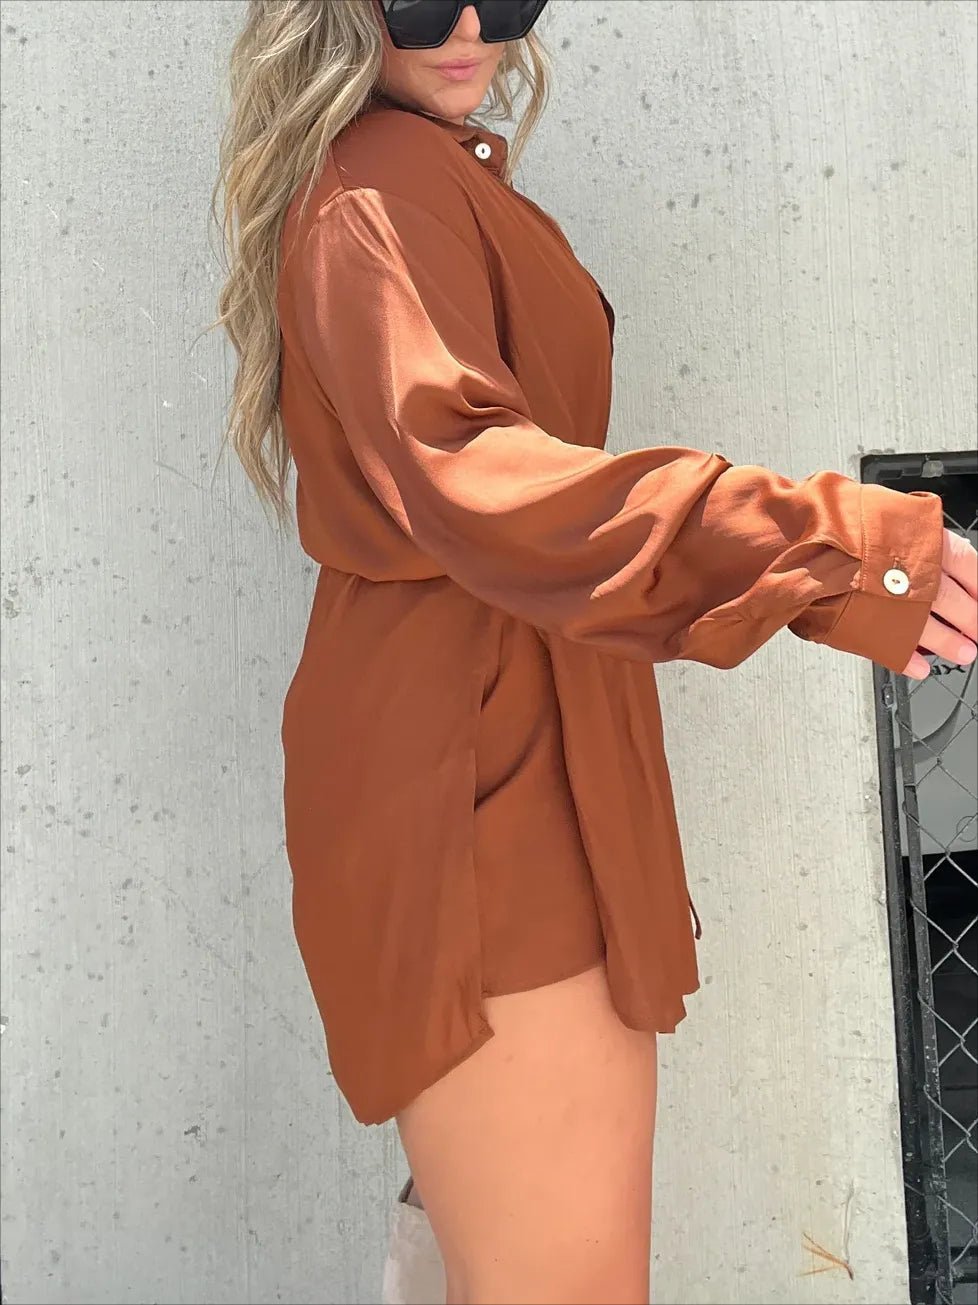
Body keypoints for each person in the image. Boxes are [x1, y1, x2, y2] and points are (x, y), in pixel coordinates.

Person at [212, 3, 978, 1302]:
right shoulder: (375, 192)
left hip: (507, 737)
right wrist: (822, 547)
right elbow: (474, 477)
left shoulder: (416, 173)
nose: (469, 26)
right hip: (480, 778)